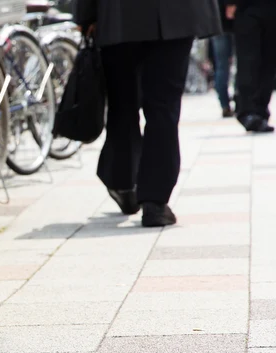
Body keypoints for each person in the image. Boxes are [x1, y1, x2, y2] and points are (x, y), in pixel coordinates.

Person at [73, 0, 221, 227]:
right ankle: (155, 201)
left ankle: (122, 180)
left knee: (122, 102)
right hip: (176, 12)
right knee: (163, 107)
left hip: (120, 15)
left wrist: (86, 15)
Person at [228, 0, 276, 133]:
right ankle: (247, 110)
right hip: (246, 8)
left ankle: (260, 110)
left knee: (269, 62)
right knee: (248, 60)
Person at [212, 0, 236, 118]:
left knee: (221, 66)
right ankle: (239, 100)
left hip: (216, 19)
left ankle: (224, 104)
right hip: (234, 19)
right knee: (242, 63)